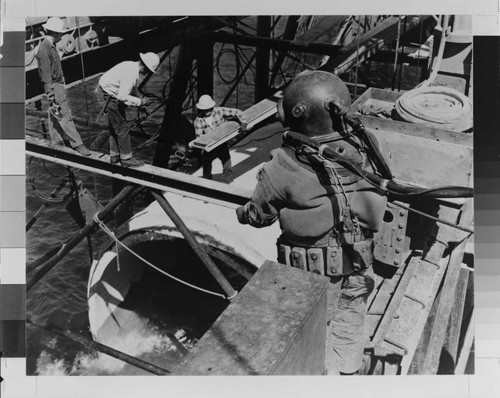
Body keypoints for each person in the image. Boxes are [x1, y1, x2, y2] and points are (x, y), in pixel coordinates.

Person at [235, 71, 387, 375]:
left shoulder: (283, 166)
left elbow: (260, 216)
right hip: (358, 265)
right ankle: (348, 374)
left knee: (311, 338)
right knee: (350, 322)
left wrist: (244, 213)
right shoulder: (365, 148)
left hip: (311, 277)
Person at [35, 17, 91, 156]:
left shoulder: (50, 47)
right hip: (54, 87)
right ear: (54, 32)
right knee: (65, 115)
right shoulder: (44, 49)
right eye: (60, 32)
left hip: (57, 85)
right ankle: (78, 144)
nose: (62, 35)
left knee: (54, 113)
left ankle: (56, 140)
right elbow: (46, 74)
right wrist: (51, 93)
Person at [96, 52, 160, 167]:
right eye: (149, 71)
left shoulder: (131, 67)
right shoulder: (130, 73)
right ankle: (126, 159)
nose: (148, 74)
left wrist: (141, 105)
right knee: (123, 128)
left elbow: (132, 89)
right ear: (145, 68)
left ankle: (115, 156)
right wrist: (142, 101)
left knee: (116, 127)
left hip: (108, 93)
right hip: (108, 96)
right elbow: (122, 96)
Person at [193, 95, 247, 180]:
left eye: (209, 109)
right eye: (204, 109)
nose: (207, 111)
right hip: (208, 146)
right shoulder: (198, 121)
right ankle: (207, 182)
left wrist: (243, 122)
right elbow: (200, 138)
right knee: (206, 164)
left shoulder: (219, 111)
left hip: (221, 142)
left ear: (212, 107)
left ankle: (227, 179)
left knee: (227, 161)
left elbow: (237, 112)